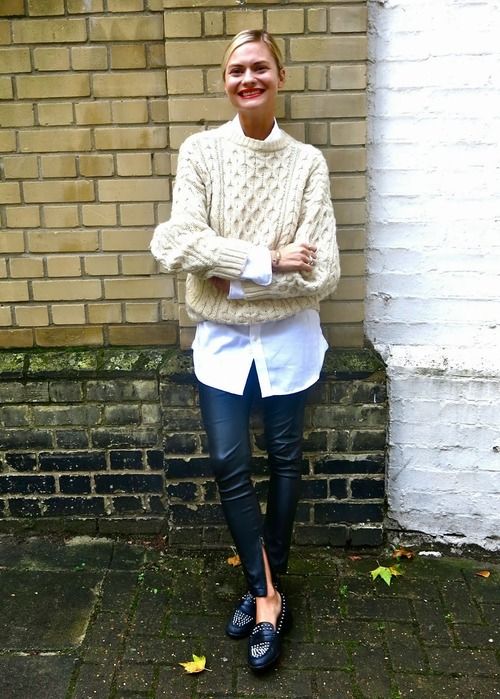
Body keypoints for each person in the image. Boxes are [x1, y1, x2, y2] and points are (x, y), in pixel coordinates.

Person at [150, 29, 340, 672]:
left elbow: (324, 273)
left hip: (290, 344)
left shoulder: (307, 163)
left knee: (285, 461)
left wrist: (228, 278)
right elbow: (174, 244)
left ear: (280, 76)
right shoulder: (201, 153)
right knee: (229, 463)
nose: (248, 78)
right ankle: (266, 591)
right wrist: (269, 260)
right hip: (222, 346)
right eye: (237, 70)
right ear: (225, 81)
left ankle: (265, 592)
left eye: (260, 67)